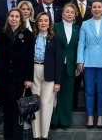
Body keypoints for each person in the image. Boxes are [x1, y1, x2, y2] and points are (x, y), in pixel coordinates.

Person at [0, 8, 34, 140]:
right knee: (7, 110)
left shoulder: (27, 35)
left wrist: (29, 78)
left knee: (18, 112)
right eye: (12, 16)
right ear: (8, 18)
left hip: (20, 78)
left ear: (21, 19)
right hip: (5, 77)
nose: (14, 19)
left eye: (17, 16)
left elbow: (30, 57)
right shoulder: (2, 34)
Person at [77, 0, 102, 129]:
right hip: (89, 61)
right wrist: (80, 61)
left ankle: (101, 117)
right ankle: (90, 116)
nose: (97, 9)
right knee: (89, 90)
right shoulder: (85, 24)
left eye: (99, 7)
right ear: (91, 9)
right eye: (94, 7)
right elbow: (81, 43)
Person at [31, 12, 63, 140]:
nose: (43, 23)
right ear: (37, 22)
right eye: (40, 20)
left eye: (46, 21)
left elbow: (58, 60)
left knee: (46, 103)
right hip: (34, 70)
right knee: (35, 103)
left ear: (49, 23)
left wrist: (57, 82)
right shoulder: (31, 37)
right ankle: (36, 135)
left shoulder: (54, 38)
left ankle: (44, 135)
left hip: (49, 73)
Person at [51, 4, 81, 129]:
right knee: (53, 93)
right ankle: (53, 120)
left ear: (75, 15)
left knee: (67, 94)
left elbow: (79, 47)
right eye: (67, 12)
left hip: (71, 64)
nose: (69, 14)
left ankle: (64, 121)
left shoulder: (78, 28)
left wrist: (78, 65)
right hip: (55, 64)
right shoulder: (55, 26)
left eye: (71, 12)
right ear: (62, 14)